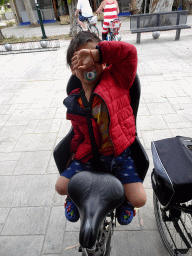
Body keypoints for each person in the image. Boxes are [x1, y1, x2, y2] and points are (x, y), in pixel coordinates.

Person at [55, 31, 147, 225]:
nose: (88, 64)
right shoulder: (75, 100)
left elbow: (130, 53)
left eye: (91, 56)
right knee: (61, 186)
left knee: (140, 199)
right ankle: (72, 198)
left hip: (119, 157)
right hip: (89, 156)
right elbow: (78, 132)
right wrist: (73, 155)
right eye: (81, 59)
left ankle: (124, 202)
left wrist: (99, 53)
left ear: (103, 60)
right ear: (73, 69)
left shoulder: (118, 78)